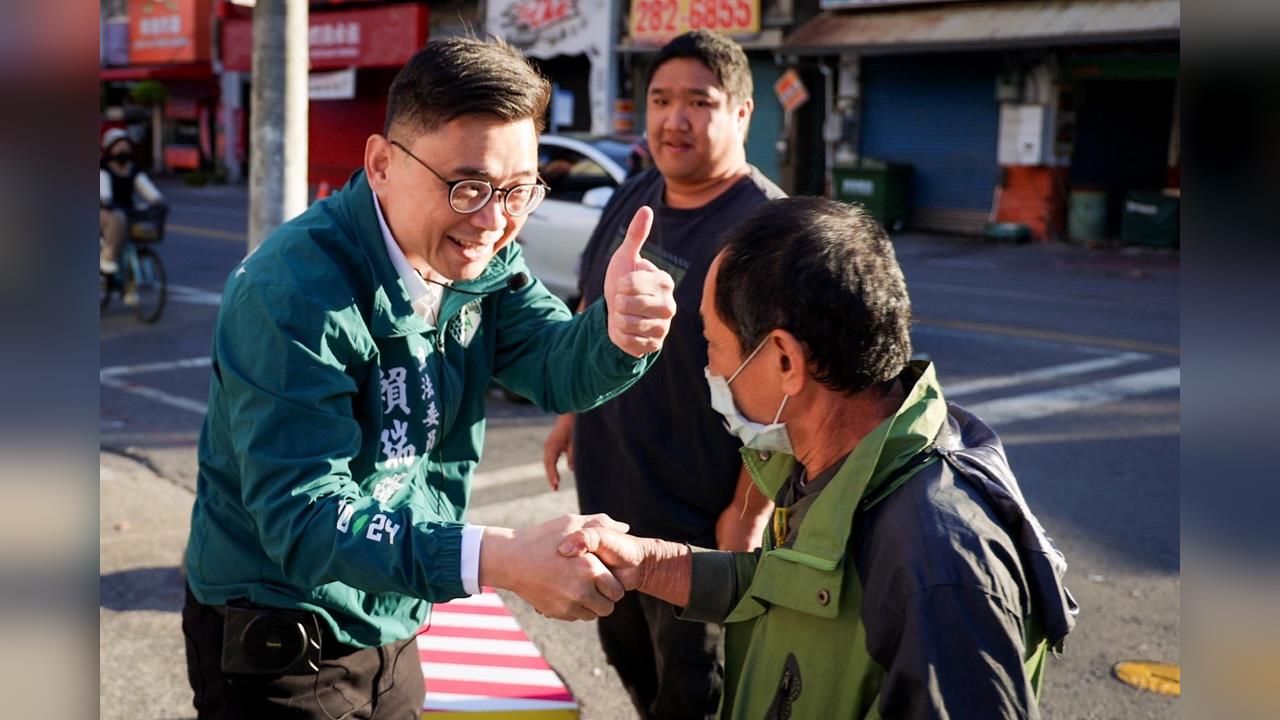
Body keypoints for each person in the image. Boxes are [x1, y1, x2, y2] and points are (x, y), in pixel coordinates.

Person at [182, 37, 676, 719]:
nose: (494, 222)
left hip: (395, 616)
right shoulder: (292, 292)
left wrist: (617, 333)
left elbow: (554, 366)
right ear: (382, 164)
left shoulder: (484, 262)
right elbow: (304, 516)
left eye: (518, 191)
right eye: (467, 186)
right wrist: (499, 559)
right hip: (283, 636)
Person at [560, 197, 1079, 719]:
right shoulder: (835, 464)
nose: (709, 367)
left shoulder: (940, 566)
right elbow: (791, 591)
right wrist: (647, 565)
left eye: (712, 343)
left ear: (786, 361)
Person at [541, 30, 784, 719]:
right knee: (630, 666)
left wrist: (745, 518)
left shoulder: (767, 230)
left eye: (698, 102)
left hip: (696, 535)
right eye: (660, 99)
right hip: (612, 503)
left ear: (741, 113)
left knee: (693, 694)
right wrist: (569, 408)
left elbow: (790, 399)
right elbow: (594, 298)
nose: (674, 118)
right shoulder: (640, 189)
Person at [100, 127, 165, 274]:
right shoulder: (103, 169)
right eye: (119, 145)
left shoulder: (132, 170)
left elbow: (146, 187)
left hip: (126, 210)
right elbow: (104, 192)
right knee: (118, 218)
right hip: (105, 212)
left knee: (137, 219)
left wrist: (157, 200)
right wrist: (106, 201)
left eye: (125, 145)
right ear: (110, 148)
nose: (123, 148)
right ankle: (107, 257)